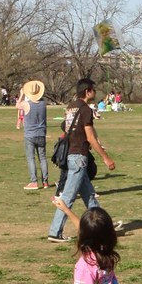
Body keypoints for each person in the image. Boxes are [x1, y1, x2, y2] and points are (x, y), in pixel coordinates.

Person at [48, 79, 115, 243]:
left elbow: (66, 127)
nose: (95, 92)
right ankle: (55, 232)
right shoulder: (85, 110)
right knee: (68, 197)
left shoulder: (71, 106)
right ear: (87, 91)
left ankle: (103, 227)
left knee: (89, 195)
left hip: (73, 155)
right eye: (94, 89)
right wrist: (106, 157)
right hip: (79, 156)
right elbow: (90, 137)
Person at [17, 80, 49, 191]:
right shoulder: (43, 103)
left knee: (31, 158)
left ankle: (34, 181)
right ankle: (45, 181)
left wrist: (21, 94)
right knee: (43, 158)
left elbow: (17, 105)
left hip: (30, 134)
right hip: (41, 133)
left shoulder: (26, 104)